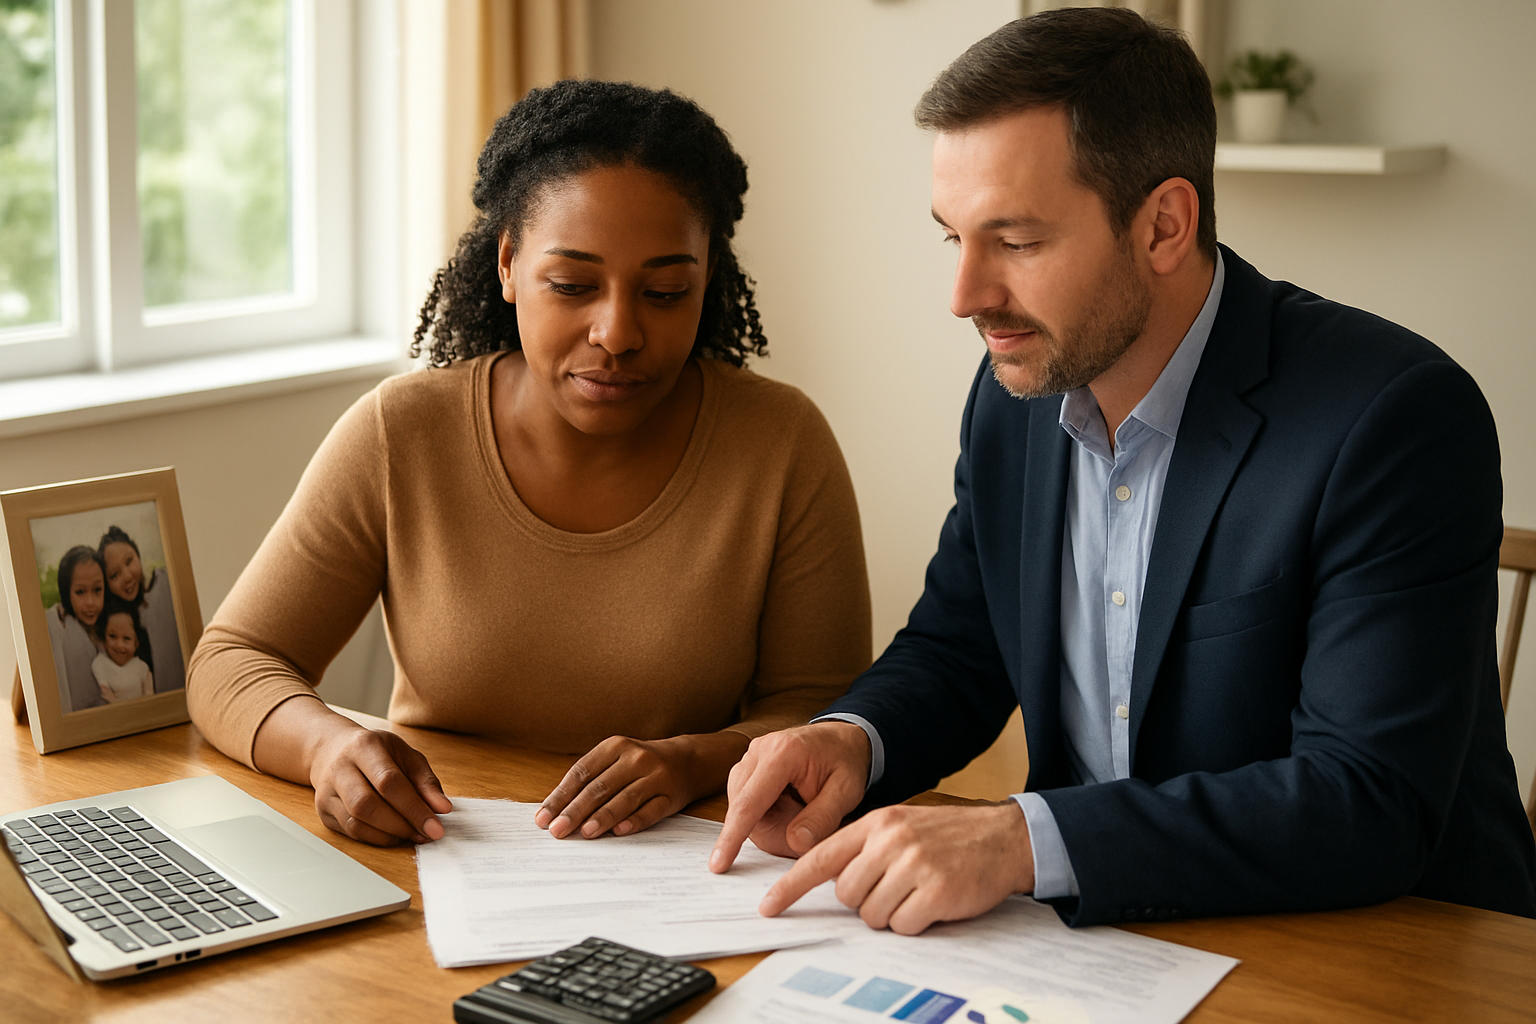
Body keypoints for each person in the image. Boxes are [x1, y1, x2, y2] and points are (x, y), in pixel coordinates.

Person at [711, 8, 1536, 931]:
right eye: (954, 237)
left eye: (1016, 242)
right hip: (1106, 941)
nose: (964, 297)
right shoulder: (1014, 394)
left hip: (1381, 946)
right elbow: (960, 645)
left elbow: (1367, 801)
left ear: (1164, 226)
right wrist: (851, 741)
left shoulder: (1394, 418)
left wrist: (1021, 840)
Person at [187, 81, 871, 849]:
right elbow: (233, 661)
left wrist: (694, 761)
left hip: (688, 870)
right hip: (442, 858)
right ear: (509, 263)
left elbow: (828, 712)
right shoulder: (401, 433)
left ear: (707, 278)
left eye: (665, 291)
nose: (617, 332)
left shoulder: (781, 444)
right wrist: (328, 747)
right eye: (573, 285)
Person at [99, 526, 185, 694]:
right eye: (114, 575)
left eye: (129, 561)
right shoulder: (114, 619)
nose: (127, 577)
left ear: (138, 555)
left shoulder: (167, 583)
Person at [46, 546, 108, 713]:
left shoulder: (111, 624)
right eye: (80, 592)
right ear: (67, 593)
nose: (90, 602)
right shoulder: (59, 624)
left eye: (97, 590)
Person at [92, 603, 155, 703]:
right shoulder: (100, 664)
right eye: (112, 636)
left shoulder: (142, 667)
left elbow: (150, 698)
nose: (119, 645)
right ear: (104, 640)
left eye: (127, 638)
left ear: (136, 644)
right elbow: (106, 697)